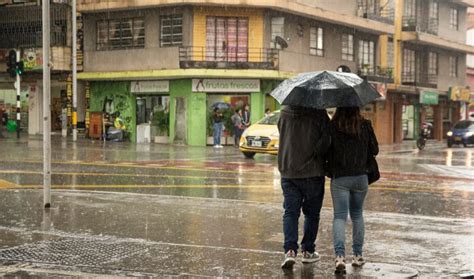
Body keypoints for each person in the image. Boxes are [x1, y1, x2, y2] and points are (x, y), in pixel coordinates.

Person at [319, 107, 379, 273]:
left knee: (339, 217)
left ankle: (339, 257)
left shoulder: (333, 126)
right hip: (361, 177)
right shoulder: (365, 125)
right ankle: (358, 255)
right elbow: (375, 149)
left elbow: (322, 149)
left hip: (340, 178)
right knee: (357, 214)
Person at [278, 105, 330, 269]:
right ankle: (308, 251)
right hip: (313, 171)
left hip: (288, 169)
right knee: (312, 214)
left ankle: (290, 251)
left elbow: (283, 134)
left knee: (290, 212)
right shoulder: (319, 112)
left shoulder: (284, 113)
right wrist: (317, 153)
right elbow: (327, 139)